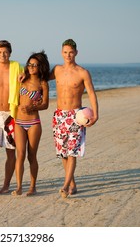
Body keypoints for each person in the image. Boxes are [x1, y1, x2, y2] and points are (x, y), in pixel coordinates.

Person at [50, 39, 99, 198]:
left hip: (75, 116)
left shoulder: (82, 72)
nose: (68, 55)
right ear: (61, 53)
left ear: (76, 52)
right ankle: (72, 183)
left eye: (71, 52)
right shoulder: (57, 70)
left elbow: (91, 92)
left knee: (72, 152)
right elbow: (40, 78)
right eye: (65, 52)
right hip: (59, 115)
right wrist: (24, 76)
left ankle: (65, 185)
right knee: (63, 153)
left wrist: (96, 114)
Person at [0, 40, 24, 195]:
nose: (2, 54)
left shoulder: (18, 69)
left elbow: (31, 82)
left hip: (11, 115)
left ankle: (6, 184)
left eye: (5, 51)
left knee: (10, 151)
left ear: (10, 53)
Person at [12, 51, 50, 196]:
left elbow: (45, 104)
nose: (32, 67)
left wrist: (32, 107)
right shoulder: (22, 78)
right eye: (30, 64)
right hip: (19, 122)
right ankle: (19, 186)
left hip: (34, 122)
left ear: (40, 67)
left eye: (35, 65)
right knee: (20, 154)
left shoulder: (43, 83)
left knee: (31, 156)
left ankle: (33, 187)